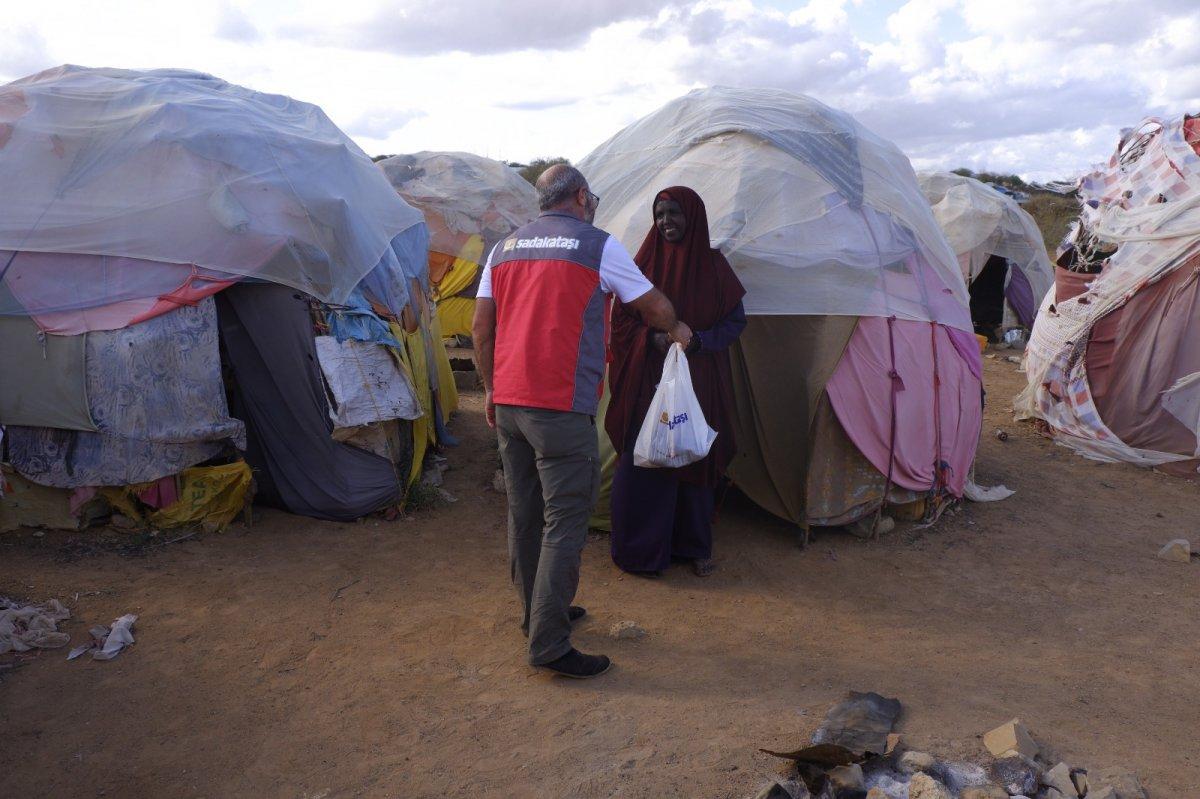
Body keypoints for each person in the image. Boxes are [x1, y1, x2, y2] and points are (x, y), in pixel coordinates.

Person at [472, 165, 692, 679]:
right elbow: (653, 306)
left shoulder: (504, 248)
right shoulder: (597, 246)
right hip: (560, 407)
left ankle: (537, 613)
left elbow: (482, 328)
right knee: (565, 520)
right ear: (578, 196)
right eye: (591, 197)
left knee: (525, 515)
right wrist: (676, 324)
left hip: (511, 405)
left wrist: (490, 390)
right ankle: (549, 643)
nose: (593, 204)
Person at [605, 186, 747, 577]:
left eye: (674, 213)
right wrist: (652, 340)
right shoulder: (643, 264)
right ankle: (641, 553)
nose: (666, 221)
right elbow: (621, 320)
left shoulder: (714, 267)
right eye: (660, 214)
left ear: (693, 217)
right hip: (649, 380)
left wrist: (699, 341)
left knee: (694, 455)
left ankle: (691, 546)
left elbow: (735, 321)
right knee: (647, 458)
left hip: (699, 381)